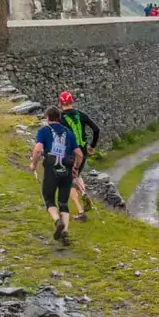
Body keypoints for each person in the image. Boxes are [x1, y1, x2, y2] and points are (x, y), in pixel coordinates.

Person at [30, 106, 83, 245]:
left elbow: (38, 149)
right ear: (59, 118)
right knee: (64, 203)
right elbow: (79, 154)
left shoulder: (44, 131)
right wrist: (75, 169)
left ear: (47, 117)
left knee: (49, 199)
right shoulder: (69, 133)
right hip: (66, 169)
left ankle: (57, 221)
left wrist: (33, 164)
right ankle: (65, 233)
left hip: (51, 169)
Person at [58, 91, 101, 221]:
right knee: (77, 174)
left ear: (60, 103)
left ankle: (81, 212)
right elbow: (96, 129)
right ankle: (83, 193)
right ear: (72, 102)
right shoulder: (80, 115)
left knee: (67, 182)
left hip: (69, 152)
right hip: (82, 151)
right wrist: (92, 146)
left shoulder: (60, 118)